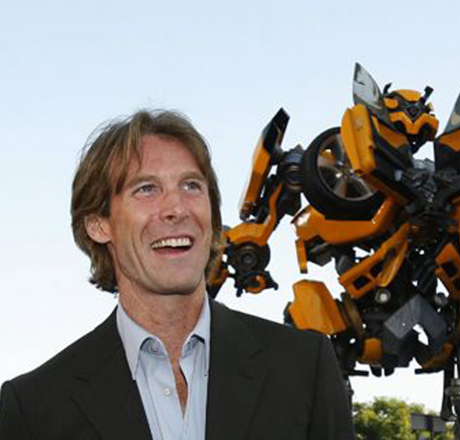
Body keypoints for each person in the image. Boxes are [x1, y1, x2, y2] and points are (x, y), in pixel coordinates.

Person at [0, 110, 355, 440]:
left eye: (191, 186)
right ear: (98, 223)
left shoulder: (304, 368)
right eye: (146, 188)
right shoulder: (32, 408)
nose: (176, 208)